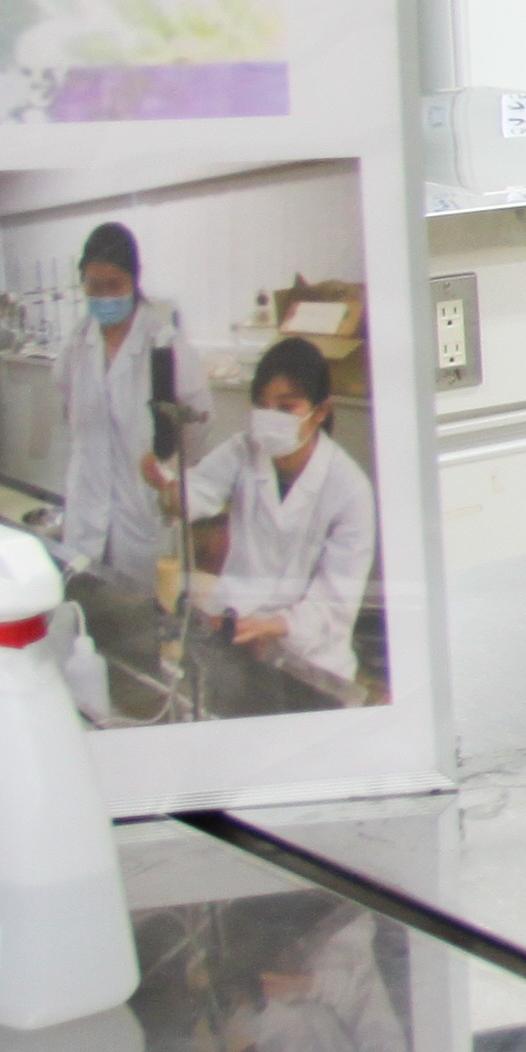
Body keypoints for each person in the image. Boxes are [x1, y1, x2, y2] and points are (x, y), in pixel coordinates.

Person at [185, 337, 376, 708]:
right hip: (237, 637)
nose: (270, 417)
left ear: (320, 411)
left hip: (310, 662)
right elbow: (196, 492)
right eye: (262, 405)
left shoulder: (350, 490)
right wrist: (168, 488)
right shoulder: (243, 450)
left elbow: (335, 605)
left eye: (286, 407)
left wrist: (276, 625)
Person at [53, 223, 177, 598]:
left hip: (140, 509)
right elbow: (69, 409)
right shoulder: (77, 341)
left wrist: (166, 472)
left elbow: (193, 426)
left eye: (114, 285)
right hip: (87, 503)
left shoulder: (162, 341)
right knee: (84, 604)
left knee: (141, 611)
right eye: (94, 286)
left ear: (134, 280)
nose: (104, 296)